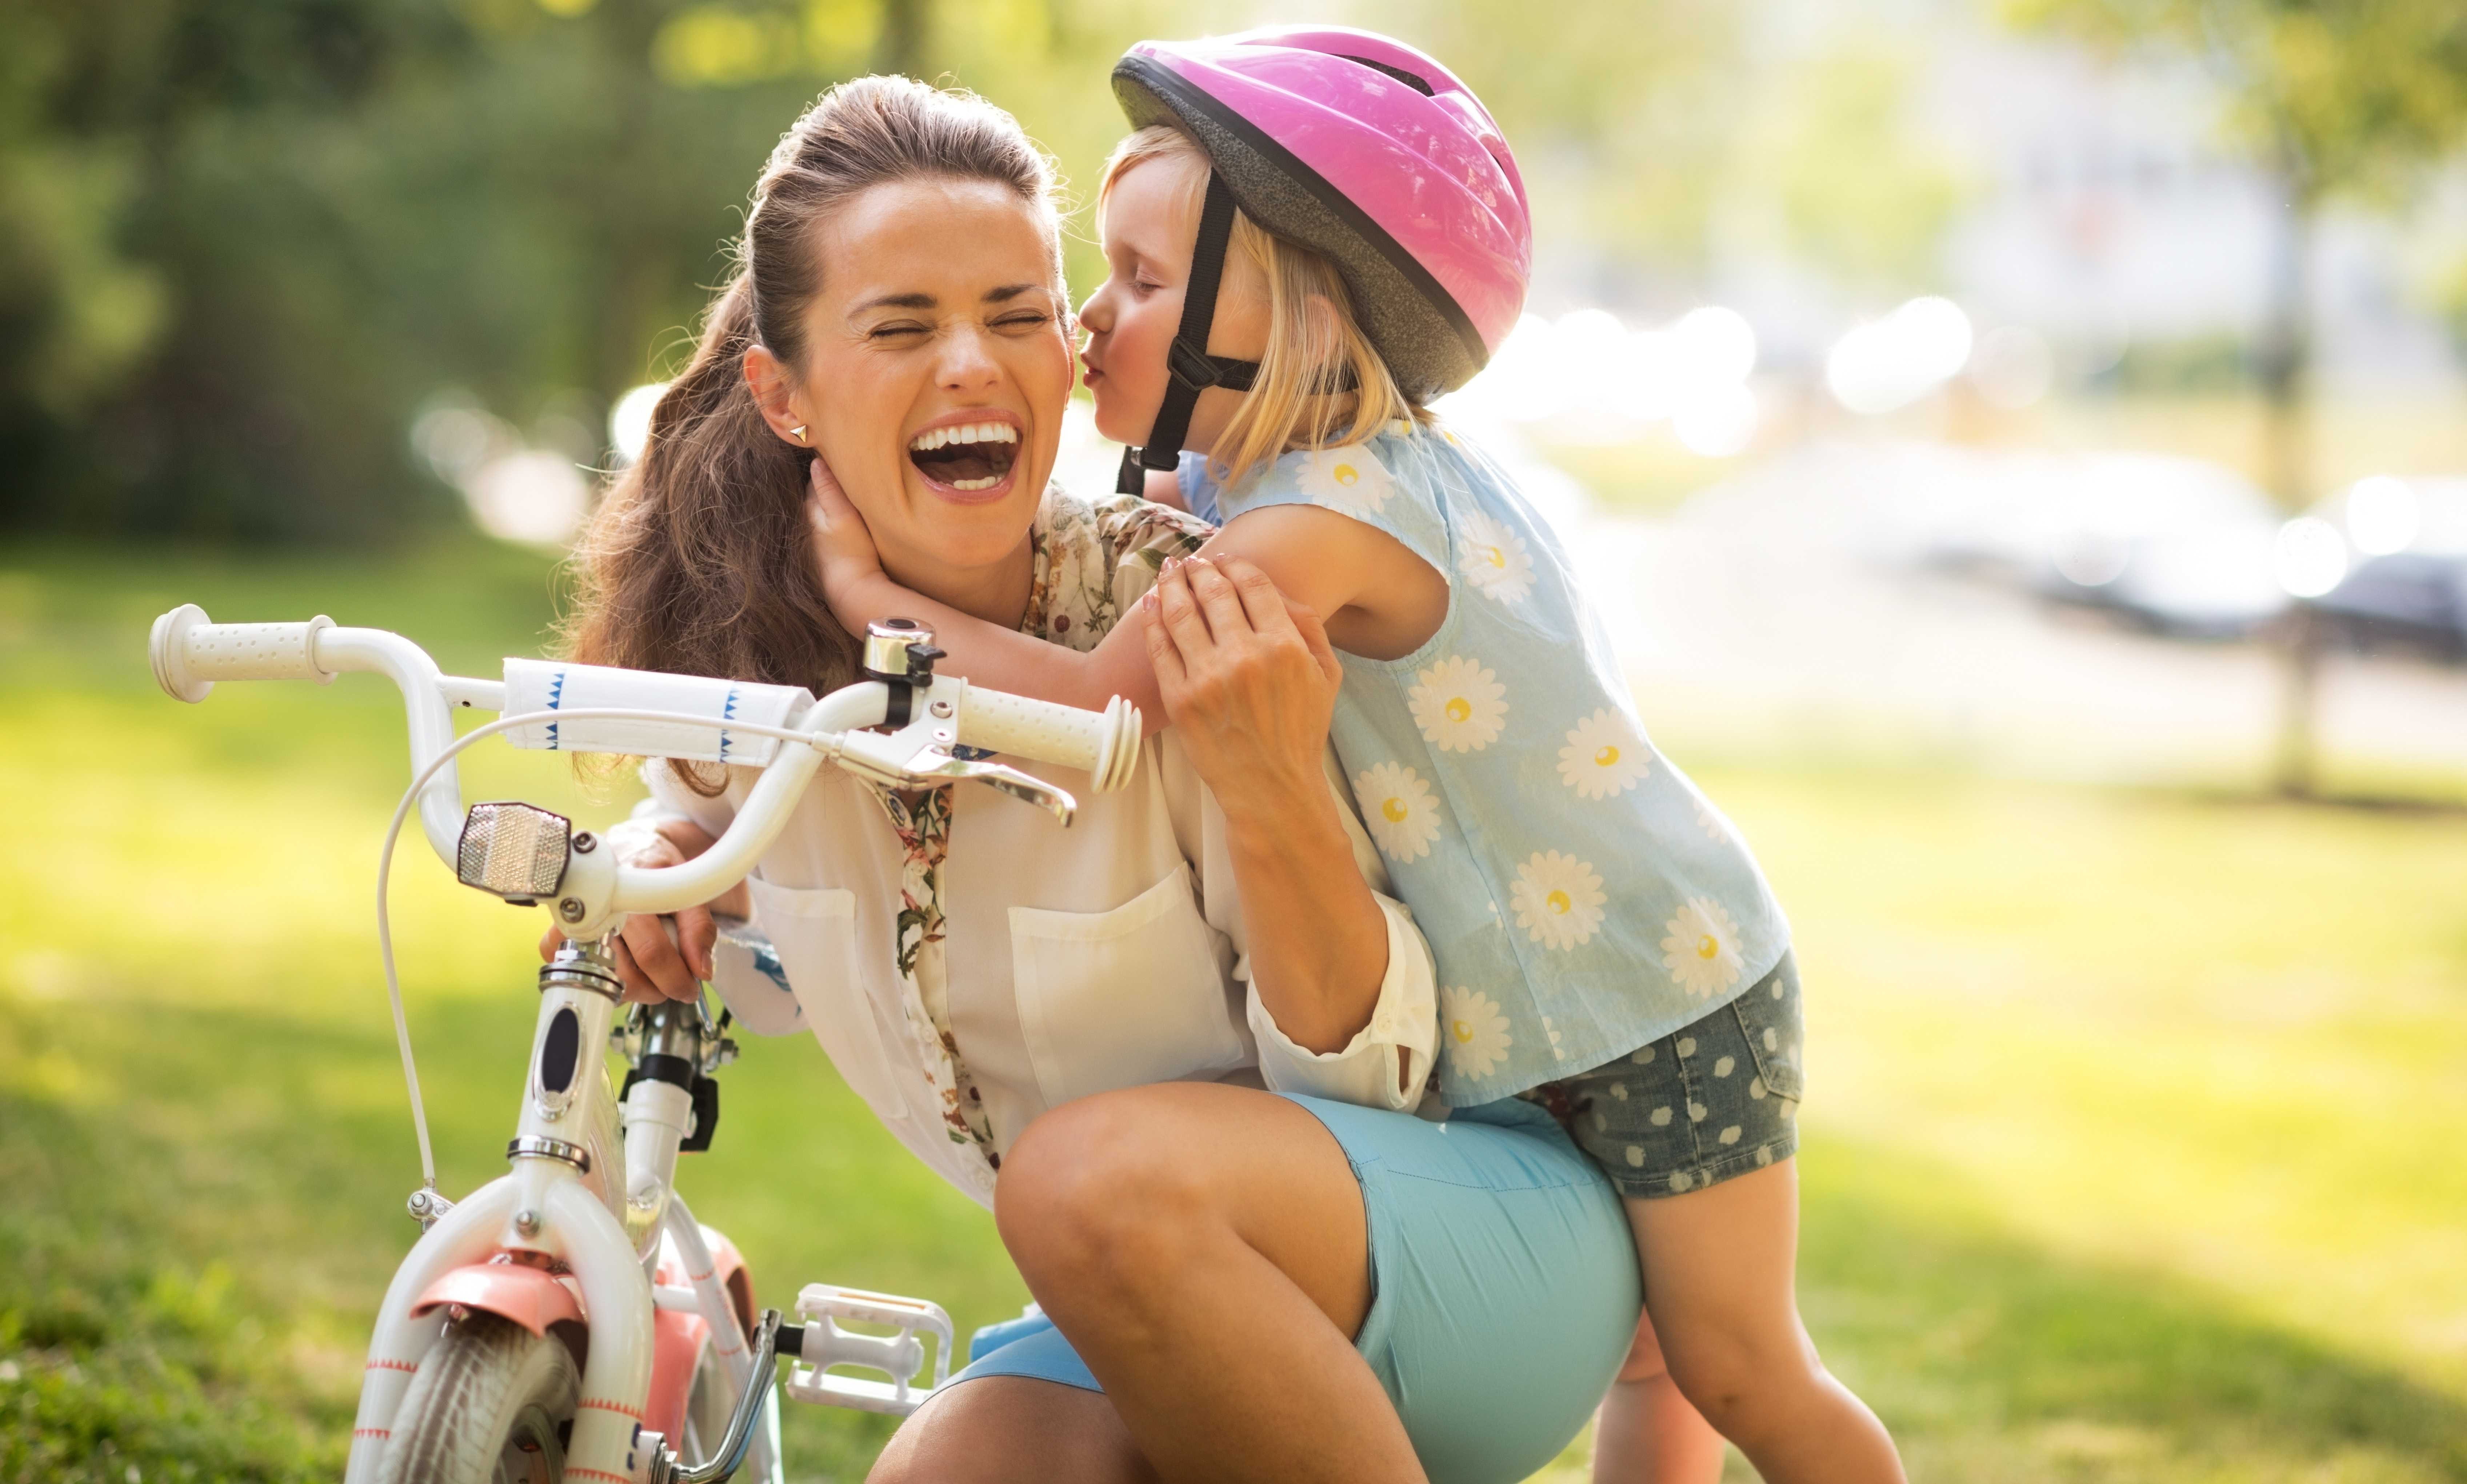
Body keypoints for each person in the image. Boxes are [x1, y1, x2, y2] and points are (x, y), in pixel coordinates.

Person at [800, 30, 1907, 1484]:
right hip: (1534, 1012)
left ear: (1295, 320)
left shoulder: (1319, 518)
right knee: (1659, 1359)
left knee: (1736, 1367)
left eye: (1140, 283)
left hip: (1654, 999)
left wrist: (868, 601)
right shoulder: (1245, 474)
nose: (1085, 322)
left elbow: (1091, 710)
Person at [554, 75, 1640, 1484]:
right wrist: (666, 875)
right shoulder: (756, 690)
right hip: (1140, 1298)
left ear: (1068, 358)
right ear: (785, 393)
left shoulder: (1178, 618)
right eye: (902, 327)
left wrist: (1269, 790)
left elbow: (1377, 1073)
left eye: (1017, 315)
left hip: (1458, 1250)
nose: (971, 365)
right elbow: (760, 940)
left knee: (1082, 1183)